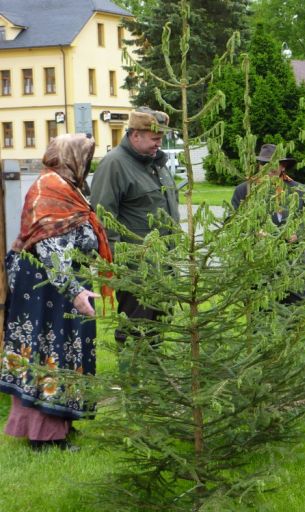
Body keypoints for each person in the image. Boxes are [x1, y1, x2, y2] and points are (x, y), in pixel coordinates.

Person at [0, 134, 112, 450]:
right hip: (46, 289)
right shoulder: (49, 189)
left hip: (54, 285)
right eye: (85, 158)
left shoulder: (65, 186)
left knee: (61, 352)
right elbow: (51, 250)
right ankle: (45, 436)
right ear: (72, 159)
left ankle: (58, 424)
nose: (87, 165)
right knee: (50, 352)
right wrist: (76, 293)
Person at [90, 106, 180, 342]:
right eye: (154, 138)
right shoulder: (114, 165)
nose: (158, 144)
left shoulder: (156, 164)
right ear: (135, 135)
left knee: (159, 326)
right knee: (134, 328)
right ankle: (131, 375)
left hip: (163, 265)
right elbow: (103, 217)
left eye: (160, 138)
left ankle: (155, 376)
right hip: (136, 269)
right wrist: (122, 265)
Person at [231, 143, 305, 304]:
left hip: (292, 263)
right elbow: (233, 222)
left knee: (299, 312)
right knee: (261, 311)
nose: (269, 168)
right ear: (259, 165)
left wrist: (298, 234)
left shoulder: (299, 190)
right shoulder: (244, 190)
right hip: (259, 262)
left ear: (283, 166)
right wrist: (254, 232)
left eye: (274, 164)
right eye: (264, 164)